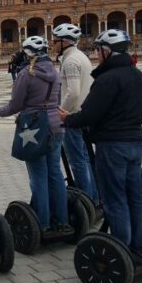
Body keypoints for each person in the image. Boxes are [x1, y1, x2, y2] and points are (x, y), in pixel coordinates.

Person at [59, 29, 142, 264]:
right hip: (135, 143)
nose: (97, 56)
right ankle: (140, 246)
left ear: (107, 51)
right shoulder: (137, 76)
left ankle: (121, 247)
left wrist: (66, 119)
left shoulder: (108, 79)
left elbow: (89, 114)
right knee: (136, 197)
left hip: (112, 146)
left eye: (98, 51)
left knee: (115, 198)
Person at [0, 37, 71, 236]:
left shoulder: (25, 74)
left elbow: (16, 105)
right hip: (56, 125)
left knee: (38, 177)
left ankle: (43, 223)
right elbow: (58, 99)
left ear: (28, 53)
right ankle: (62, 220)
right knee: (54, 173)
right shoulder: (54, 72)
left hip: (35, 128)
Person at [51, 23, 98, 203]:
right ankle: (94, 197)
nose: (53, 44)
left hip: (72, 117)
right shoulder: (81, 57)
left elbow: (73, 92)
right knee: (86, 159)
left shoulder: (70, 61)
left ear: (64, 42)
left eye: (55, 41)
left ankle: (86, 202)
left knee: (78, 162)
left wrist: (61, 113)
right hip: (84, 113)